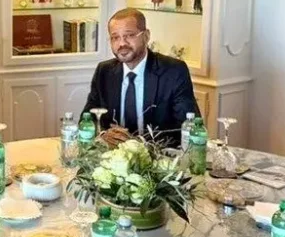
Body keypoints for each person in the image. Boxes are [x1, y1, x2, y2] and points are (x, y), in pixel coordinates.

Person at [83, 8, 200, 147]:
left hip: (159, 155)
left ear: (146, 36)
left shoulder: (173, 71)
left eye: (129, 35)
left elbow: (189, 128)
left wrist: (142, 146)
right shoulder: (104, 71)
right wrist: (103, 135)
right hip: (113, 154)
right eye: (115, 38)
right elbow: (87, 120)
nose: (121, 44)